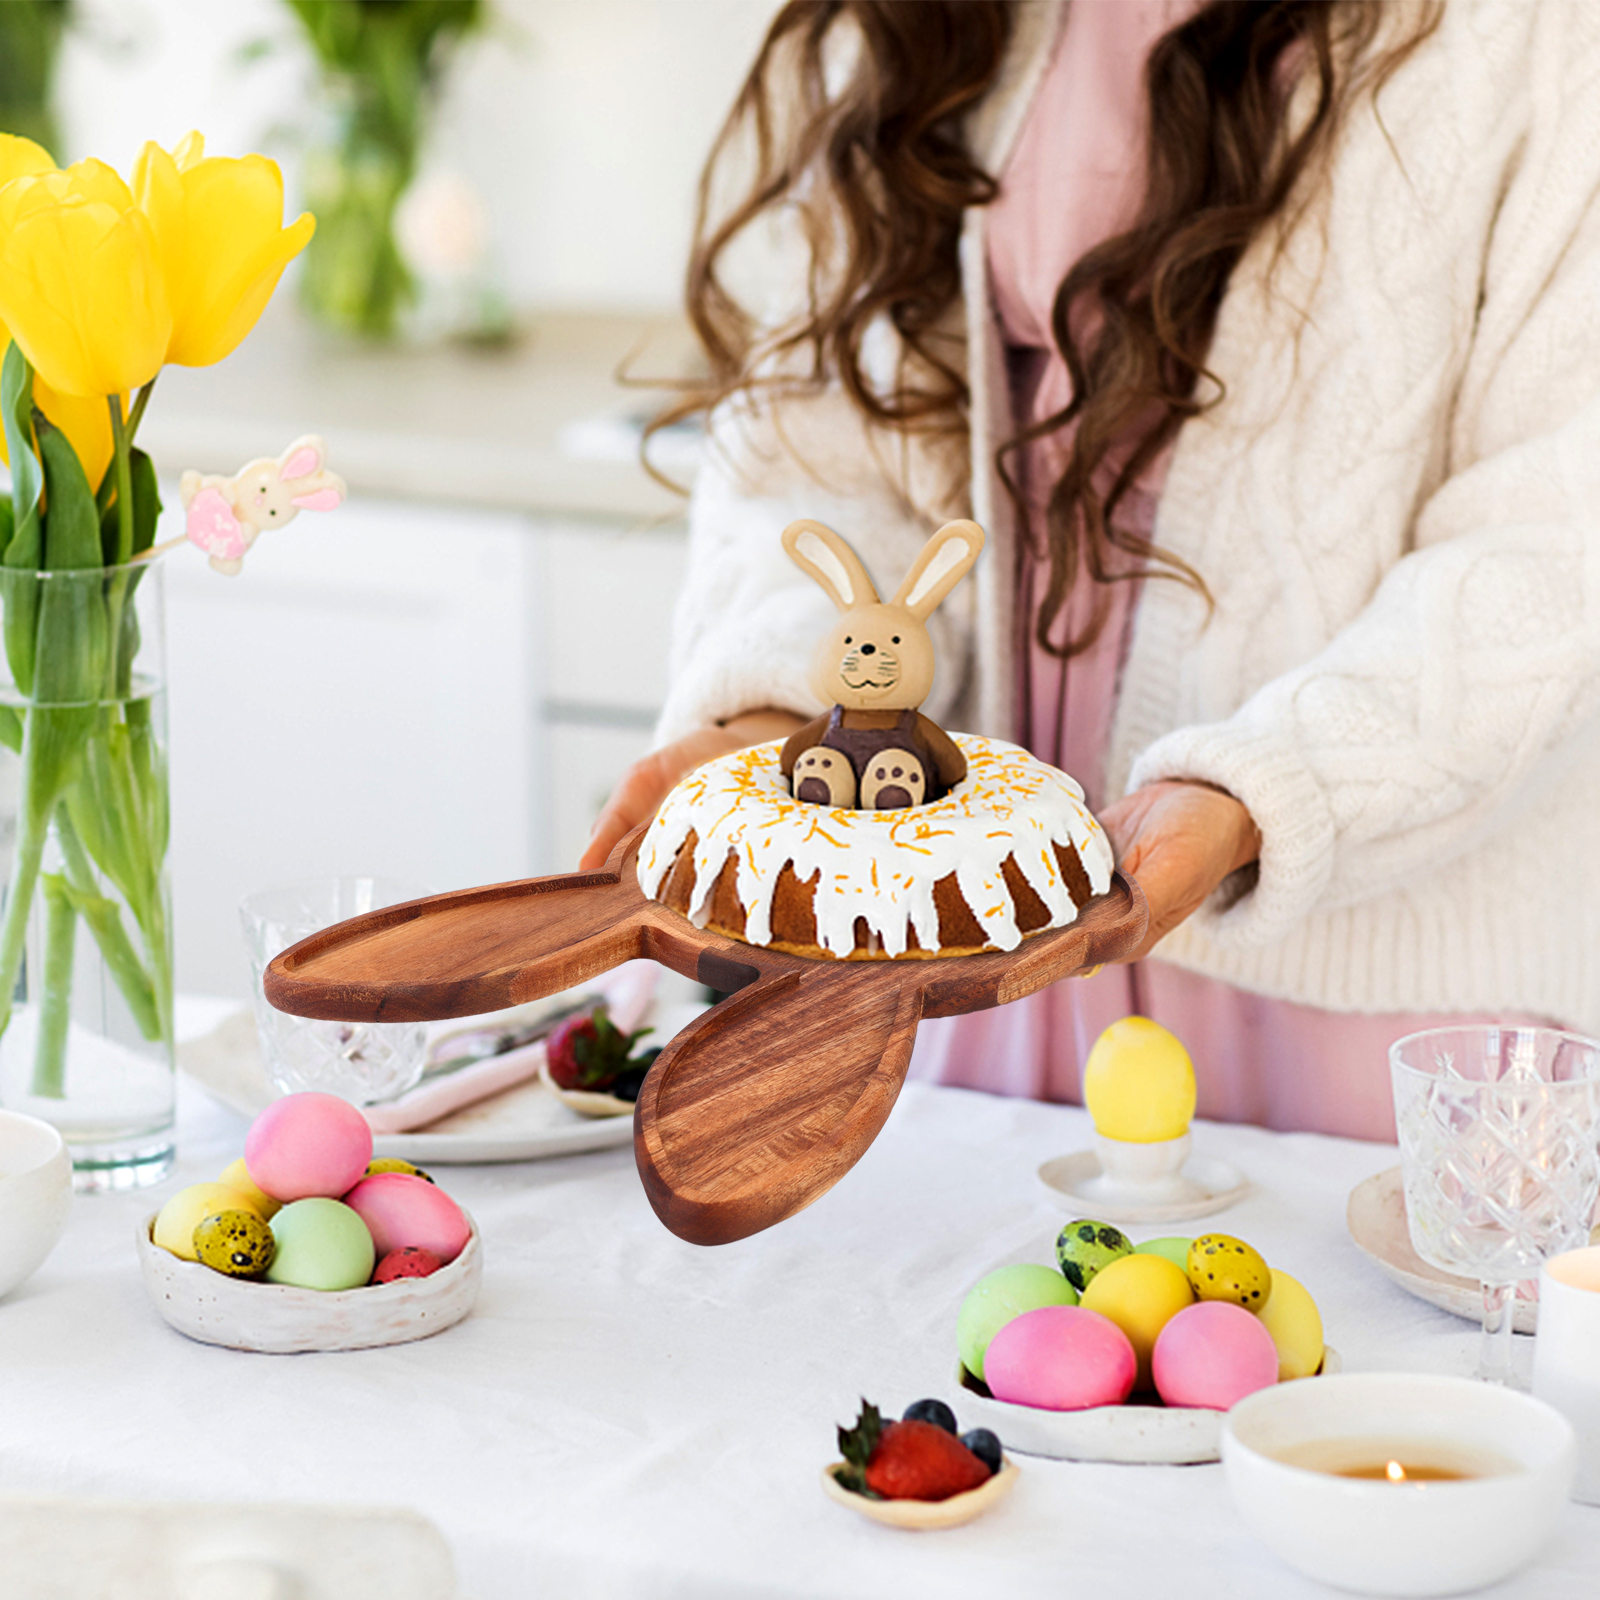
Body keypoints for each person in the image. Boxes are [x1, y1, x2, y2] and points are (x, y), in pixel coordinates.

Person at [582, 0, 1600, 1141]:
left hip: (1374, 992)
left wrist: (1263, 792)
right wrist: (795, 711)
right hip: (980, 943)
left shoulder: (1536, 34)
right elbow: (822, 446)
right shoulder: (923, 25)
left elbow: (1557, 540)